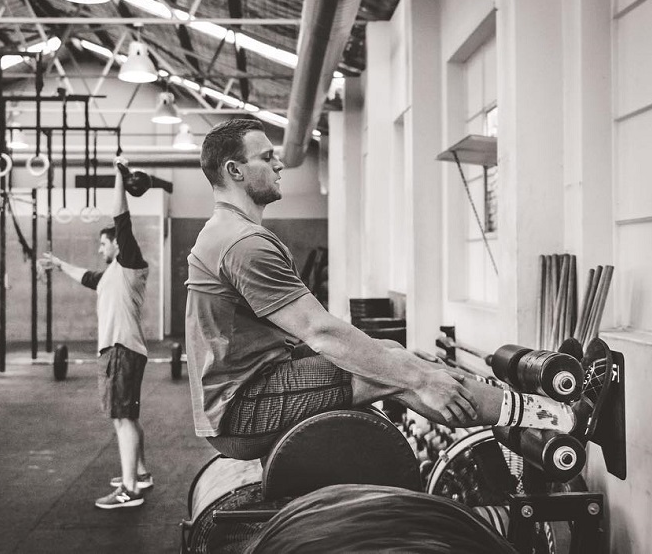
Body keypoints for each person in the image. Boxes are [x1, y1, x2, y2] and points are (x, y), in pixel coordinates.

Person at [185, 118, 615, 460]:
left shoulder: (229, 232)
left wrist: (407, 364)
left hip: (244, 395)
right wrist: (422, 377)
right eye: (267, 158)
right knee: (394, 375)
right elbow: (320, 332)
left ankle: (541, 407)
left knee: (391, 355)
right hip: (242, 411)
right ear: (235, 170)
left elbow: (315, 335)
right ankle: (560, 416)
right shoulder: (243, 243)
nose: (280, 165)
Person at [43, 157, 152, 510]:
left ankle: (129, 490)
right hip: (119, 350)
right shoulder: (109, 277)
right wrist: (60, 265)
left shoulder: (130, 264)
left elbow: (122, 218)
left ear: (117, 245)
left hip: (122, 349)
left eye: (103, 244)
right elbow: (86, 277)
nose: (100, 249)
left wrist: (119, 179)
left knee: (122, 419)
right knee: (128, 416)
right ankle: (141, 473)